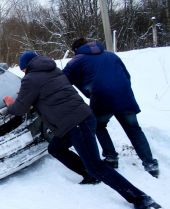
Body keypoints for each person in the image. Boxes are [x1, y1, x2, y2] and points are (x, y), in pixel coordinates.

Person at [3, 51, 161, 209]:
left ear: (26, 67)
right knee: (56, 148)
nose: (23, 73)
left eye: (23, 70)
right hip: (84, 118)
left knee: (97, 166)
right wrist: (28, 96)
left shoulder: (30, 79)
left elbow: (20, 108)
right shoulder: (53, 70)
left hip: (76, 124)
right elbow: (46, 93)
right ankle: (89, 174)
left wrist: (10, 103)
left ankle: (141, 198)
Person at [62, 38, 159, 178]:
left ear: (76, 50)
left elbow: (62, 80)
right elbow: (127, 75)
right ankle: (150, 164)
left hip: (102, 99)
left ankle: (111, 157)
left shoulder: (76, 61)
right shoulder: (111, 55)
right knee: (134, 129)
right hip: (125, 97)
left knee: (98, 126)